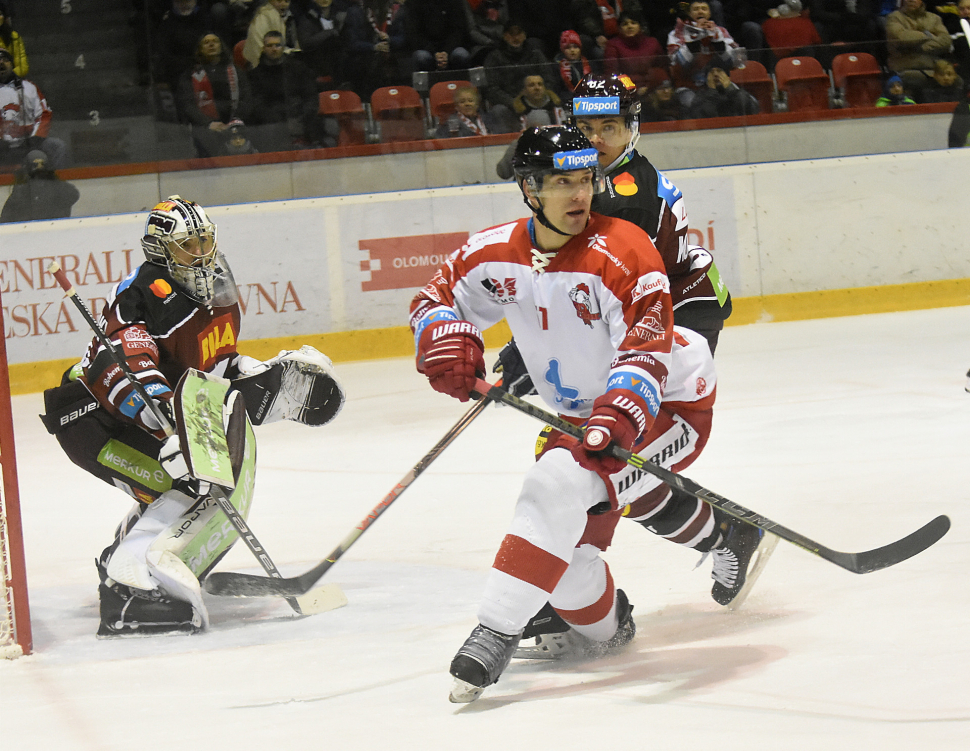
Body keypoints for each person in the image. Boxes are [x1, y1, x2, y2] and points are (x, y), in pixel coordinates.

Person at [495, 75, 757, 656]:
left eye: (607, 128)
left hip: (676, 322)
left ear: (632, 128)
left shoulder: (626, 192)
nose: (594, 139)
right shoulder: (583, 179)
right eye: (584, 128)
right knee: (612, 462)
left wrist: (536, 345)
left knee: (607, 460)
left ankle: (568, 587)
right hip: (626, 319)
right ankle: (722, 537)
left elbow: (606, 289)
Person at [410, 125, 669, 701]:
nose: (581, 196)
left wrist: (622, 410)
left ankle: (494, 629)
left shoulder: (625, 249)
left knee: (552, 485)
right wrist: (446, 338)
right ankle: (609, 628)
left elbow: (647, 349)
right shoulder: (494, 251)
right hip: (579, 418)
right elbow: (434, 300)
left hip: (666, 405)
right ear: (529, 189)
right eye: (562, 183)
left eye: (586, 180)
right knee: (569, 560)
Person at [40, 196, 345, 637]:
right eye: (188, 245)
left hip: (133, 418)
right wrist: (169, 424)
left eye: (205, 241)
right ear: (161, 250)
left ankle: (125, 556)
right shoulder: (139, 294)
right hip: (93, 422)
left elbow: (208, 369)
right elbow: (129, 370)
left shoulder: (216, 285)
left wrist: (252, 378)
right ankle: (131, 590)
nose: (200, 253)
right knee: (188, 486)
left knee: (193, 480)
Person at [176, 33, 254, 157]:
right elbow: (187, 104)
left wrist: (236, 120)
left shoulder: (236, 72)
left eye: (215, 41)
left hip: (236, 127)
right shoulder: (189, 76)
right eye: (206, 42)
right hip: (205, 129)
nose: (211, 44)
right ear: (200, 49)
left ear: (221, 46)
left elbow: (247, 98)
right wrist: (208, 123)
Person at [248, 30, 327, 150]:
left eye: (277, 45)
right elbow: (257, 104)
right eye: (269, 45)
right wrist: (281, 123)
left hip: (301, 119)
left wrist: (302, 118)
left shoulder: (299, 68)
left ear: (283, 47)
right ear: (263, 48)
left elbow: (310, 97)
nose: (274, 49)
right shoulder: (255, 75)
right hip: (271, 125)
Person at [0, 49, 69, 170]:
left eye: (5, 60)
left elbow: (44, 114)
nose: (1, 63)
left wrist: (36, 137)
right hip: (2, 146)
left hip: (30, 143)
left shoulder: (29, 87)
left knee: (58, 146)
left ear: (12, 64)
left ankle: (57, 185)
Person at [667, 0, 739, 107]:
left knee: (743, 99)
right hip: (689, 86)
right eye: (696, 9)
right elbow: (679, 64)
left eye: (704, 9)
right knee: (698, 106)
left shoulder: (721, 31)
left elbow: (733, 62)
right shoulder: (676, 34)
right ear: (689, 13)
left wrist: (718, 42)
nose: (700, 12)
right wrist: (695, 38)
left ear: (709, 13)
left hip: (719, 83)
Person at [886, 0, 953, 97]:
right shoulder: (894, 17)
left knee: (957, 80)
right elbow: (901, 38)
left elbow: (946, 41)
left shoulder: (934, 18)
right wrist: (929, 35)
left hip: (933, 67)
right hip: (905, 68)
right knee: (920, 81)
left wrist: (919, 46)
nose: (911, 0)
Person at [0, 149, 79, 223]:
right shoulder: (21, 190)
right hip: (28, 231)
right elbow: (5, 220)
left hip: (53, 230)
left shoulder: (61, 188)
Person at [603, 11, 664, 94]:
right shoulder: (613, 45)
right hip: (626, 92)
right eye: (625, 24)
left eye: (633, 23)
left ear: (640, 26)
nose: (629, 26)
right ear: (619, 28)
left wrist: (649, 87)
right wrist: (634, 89)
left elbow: (661, 69)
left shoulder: (653, 43)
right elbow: (612, 73)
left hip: (653, 89)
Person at [406, 0, 472, 73]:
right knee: (421, 57)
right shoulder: (414, 3)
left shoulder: (455, 2)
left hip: (451, 48)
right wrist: (434, 53)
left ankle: (462, 83)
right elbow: (414, 34)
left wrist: (446, 52)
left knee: (462, 55)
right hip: (426, 48)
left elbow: (459, 30)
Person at [296, 0, 348, 83]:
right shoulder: (307, 17)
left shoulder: (341, 14)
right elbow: (305, 43)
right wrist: (329, 32)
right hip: (316, 62)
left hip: (339, 61)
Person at [688, 59, 761, 117]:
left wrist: (729, 89)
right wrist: (712, 92)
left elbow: (751, 110)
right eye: (712, 72)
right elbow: (699, 115)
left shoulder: (739, 93)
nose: (716, 75)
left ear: (727, 77)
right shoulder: (701, 97)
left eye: (719, 71)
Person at [243, 0, 301, 69]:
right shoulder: (262, 18)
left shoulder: (288, 17)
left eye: (287, 1)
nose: (283, 4)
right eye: (279, 1)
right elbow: (258, 50)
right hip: (263, 67)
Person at [433, 84, 505, 136]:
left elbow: (500, 134)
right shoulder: (451, 123)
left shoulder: (488, 119)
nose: (467, 104)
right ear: (457, 107)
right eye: (462, 102)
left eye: (470, 101)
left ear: (477, 104)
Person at [554, 29, 592, 96]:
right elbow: (559, 90)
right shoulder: (558, 67)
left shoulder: (589, 64)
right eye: (568, 48)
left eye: (575, 47)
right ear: (563, 50)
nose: (572, 50)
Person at [0, 1, 27, 78]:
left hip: (12, 80)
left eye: (0, 14)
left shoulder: (14, 37)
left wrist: (9, 75)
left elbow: (23, 66)